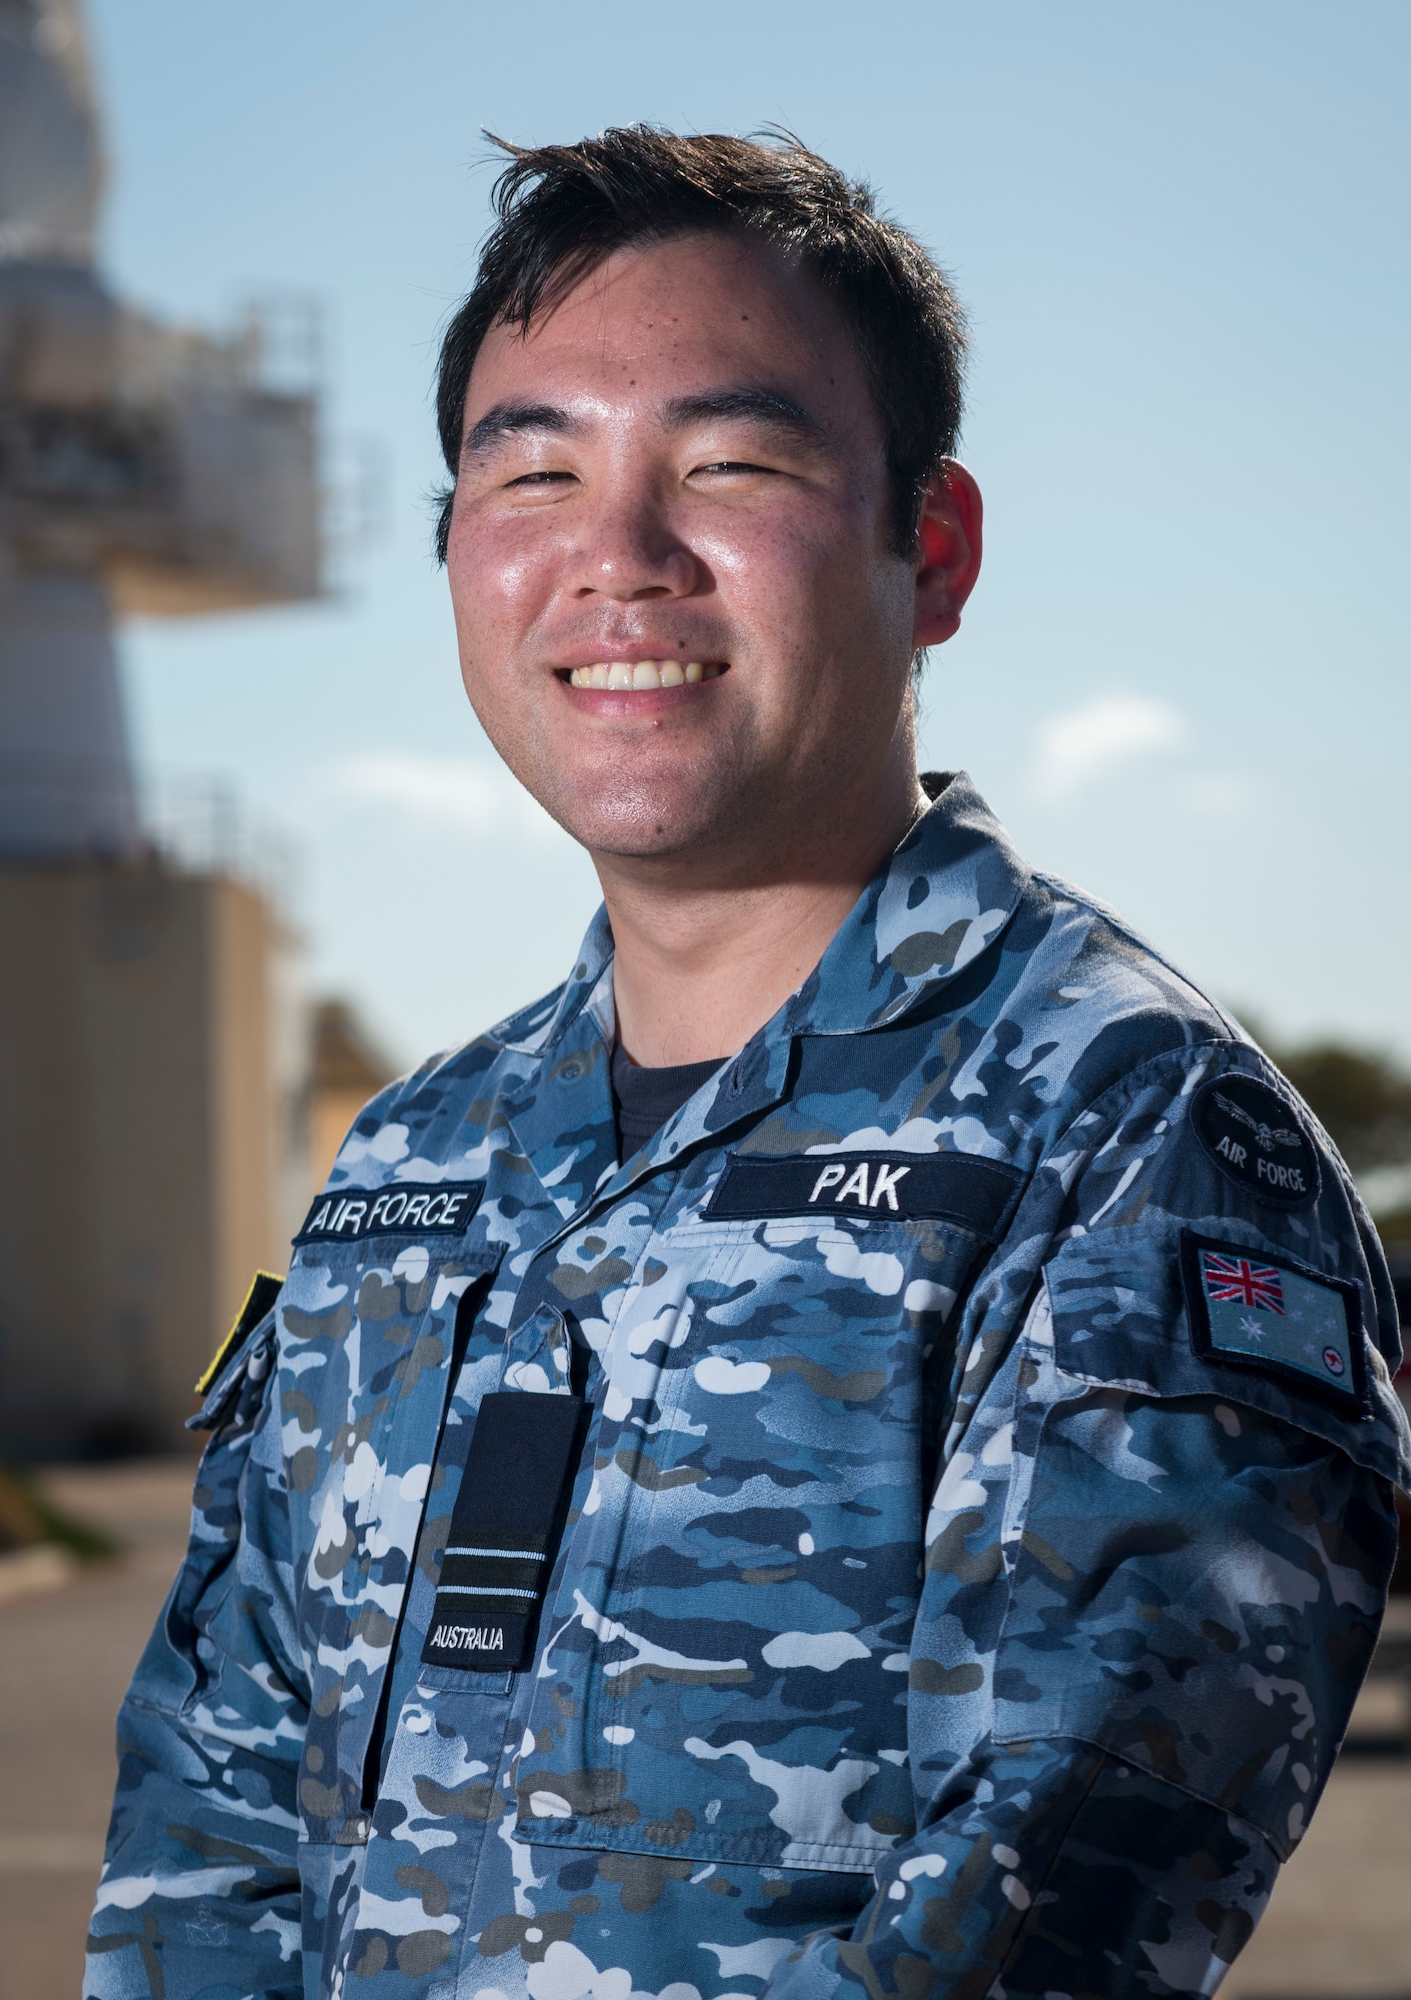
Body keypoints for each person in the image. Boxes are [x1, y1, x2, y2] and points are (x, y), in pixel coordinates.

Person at [87, 129, 1410, 2000]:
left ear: (928, 550)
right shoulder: (414, 1159)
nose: (614, 559)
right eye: (532, 470)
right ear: (455, 550)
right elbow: (208, 1824)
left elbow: (1042, 1904)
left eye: (730, 464)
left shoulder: (1118, 1133)